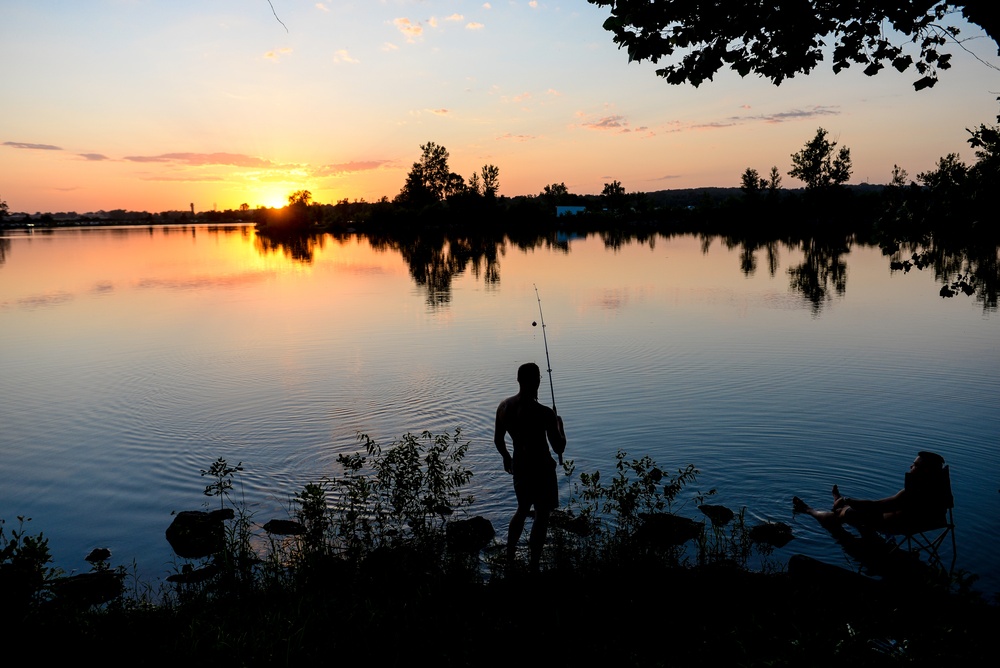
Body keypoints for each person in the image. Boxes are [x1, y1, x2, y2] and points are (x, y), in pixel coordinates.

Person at [494, 362, 566, 571]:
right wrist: (559, 424)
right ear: (538, 381)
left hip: (520, 466)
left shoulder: (504, 407)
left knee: (522, 509)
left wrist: (506, 458)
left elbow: (498, 439)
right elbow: (559, 446)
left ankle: (509, 558)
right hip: (542, 468)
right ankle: (534, 564)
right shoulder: (544, 413)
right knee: (542, 515)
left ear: (518, 380)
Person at [793, 451, 949, 534]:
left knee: (840, 515)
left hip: (890, 523)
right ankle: (839, 501)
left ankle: (809, 510)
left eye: (914, 465)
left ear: (925, 471)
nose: (910, 467)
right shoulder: (938, 488)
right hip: (930, 524)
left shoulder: (913, 492)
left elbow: (877, 506)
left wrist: (847, 500)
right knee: (852, 510)